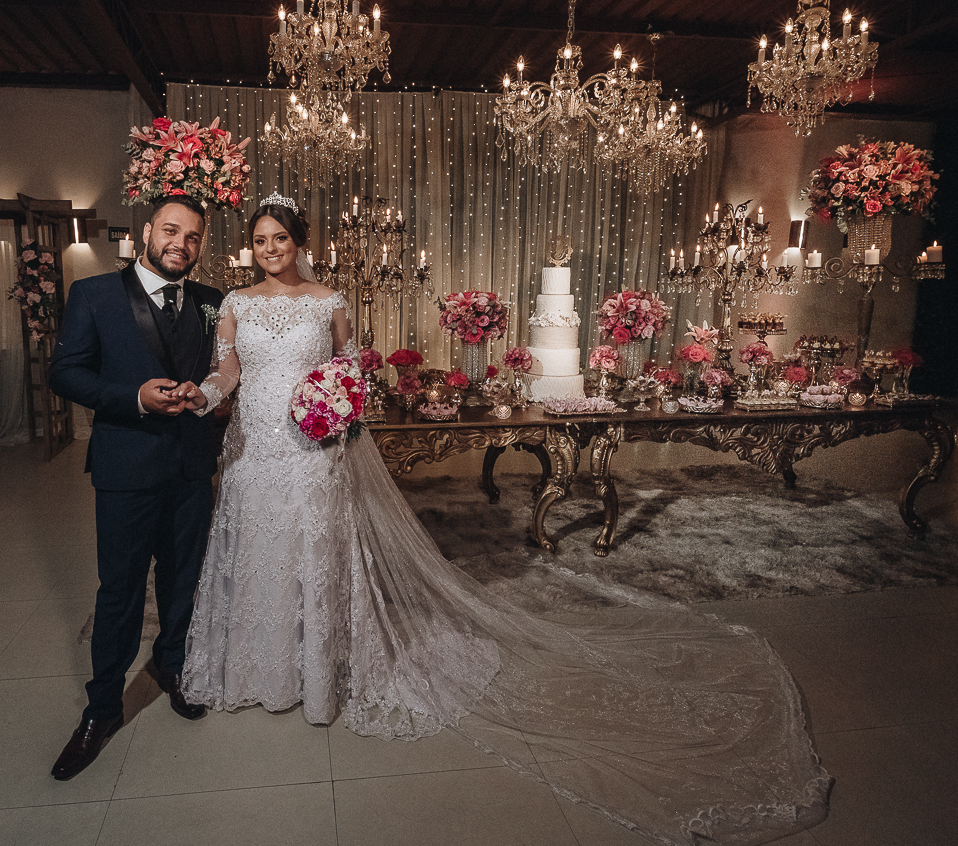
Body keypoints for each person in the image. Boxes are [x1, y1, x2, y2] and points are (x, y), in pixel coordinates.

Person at [180, 194, 831, 845]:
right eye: (261, 240)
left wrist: (334, 399)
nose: (270, 249)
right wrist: (200, 395)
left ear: (298, 241)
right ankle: (262, 668)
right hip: (252, 454)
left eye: (280, 239)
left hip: (312, 447)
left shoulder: (329, 300)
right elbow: (226, 371)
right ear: (252, 245)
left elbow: (348, 364)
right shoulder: (236, 304)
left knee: (315, 556)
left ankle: (319, 674)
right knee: (261, 556)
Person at [48, 195, 225, 781]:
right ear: (147, 231)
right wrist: (133, 398)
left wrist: (206, 395)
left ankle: (171, 667)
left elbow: (225, 373)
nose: (182, 243)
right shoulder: (94, 295)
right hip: (126, 470)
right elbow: (65, 372)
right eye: (171, 230)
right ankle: (101, 710)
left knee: (182, 580)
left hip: (191, 469)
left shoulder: (212, 302)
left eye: (194, 236)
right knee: (119, 591)